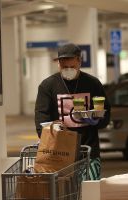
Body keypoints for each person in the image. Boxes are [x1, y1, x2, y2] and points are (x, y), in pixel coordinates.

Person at [35, 43, 111, 180]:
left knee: (89, 196)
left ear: (79, 62)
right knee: (62, 198)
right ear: (58, 64)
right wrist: (53, 132)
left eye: (72, 67)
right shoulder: (48, 86)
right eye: (65, 67)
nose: (68, 70)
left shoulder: (92, 84)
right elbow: (41, 121)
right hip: (59, 154)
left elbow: (106, 116)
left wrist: (95, 120)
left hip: (88, 153)